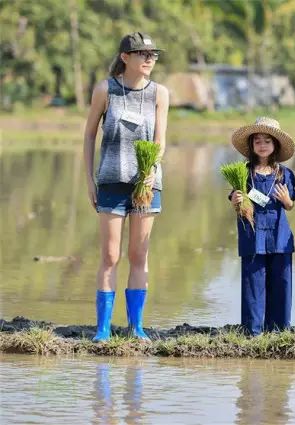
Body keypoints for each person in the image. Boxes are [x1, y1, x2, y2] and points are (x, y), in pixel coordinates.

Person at [83, 32, 169, 341]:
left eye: (153, 54)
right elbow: (90, 135)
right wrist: (90, 181)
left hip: (146, 184)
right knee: (109, 256)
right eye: (142, 53)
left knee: (139, 255)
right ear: (125, 57)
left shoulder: (160, 93)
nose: (149, 59)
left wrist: (150, 171)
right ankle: (103, 329)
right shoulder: (105, 90)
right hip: (110, 180)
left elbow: (159, 141)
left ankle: (136, 327)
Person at [229, 117, 295, 336]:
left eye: (267, 140)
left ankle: (278, 329)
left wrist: (287, 200)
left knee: (281, 282)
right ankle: (253, 330)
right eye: (257, 140)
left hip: (279, 234)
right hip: (253, 233)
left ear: (275, 145)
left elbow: (290, 205)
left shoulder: (285, 173)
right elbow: (234, 197)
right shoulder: (243, 172)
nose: (262, 145)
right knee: (253, 282)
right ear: (251, 145)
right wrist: (236, 200)